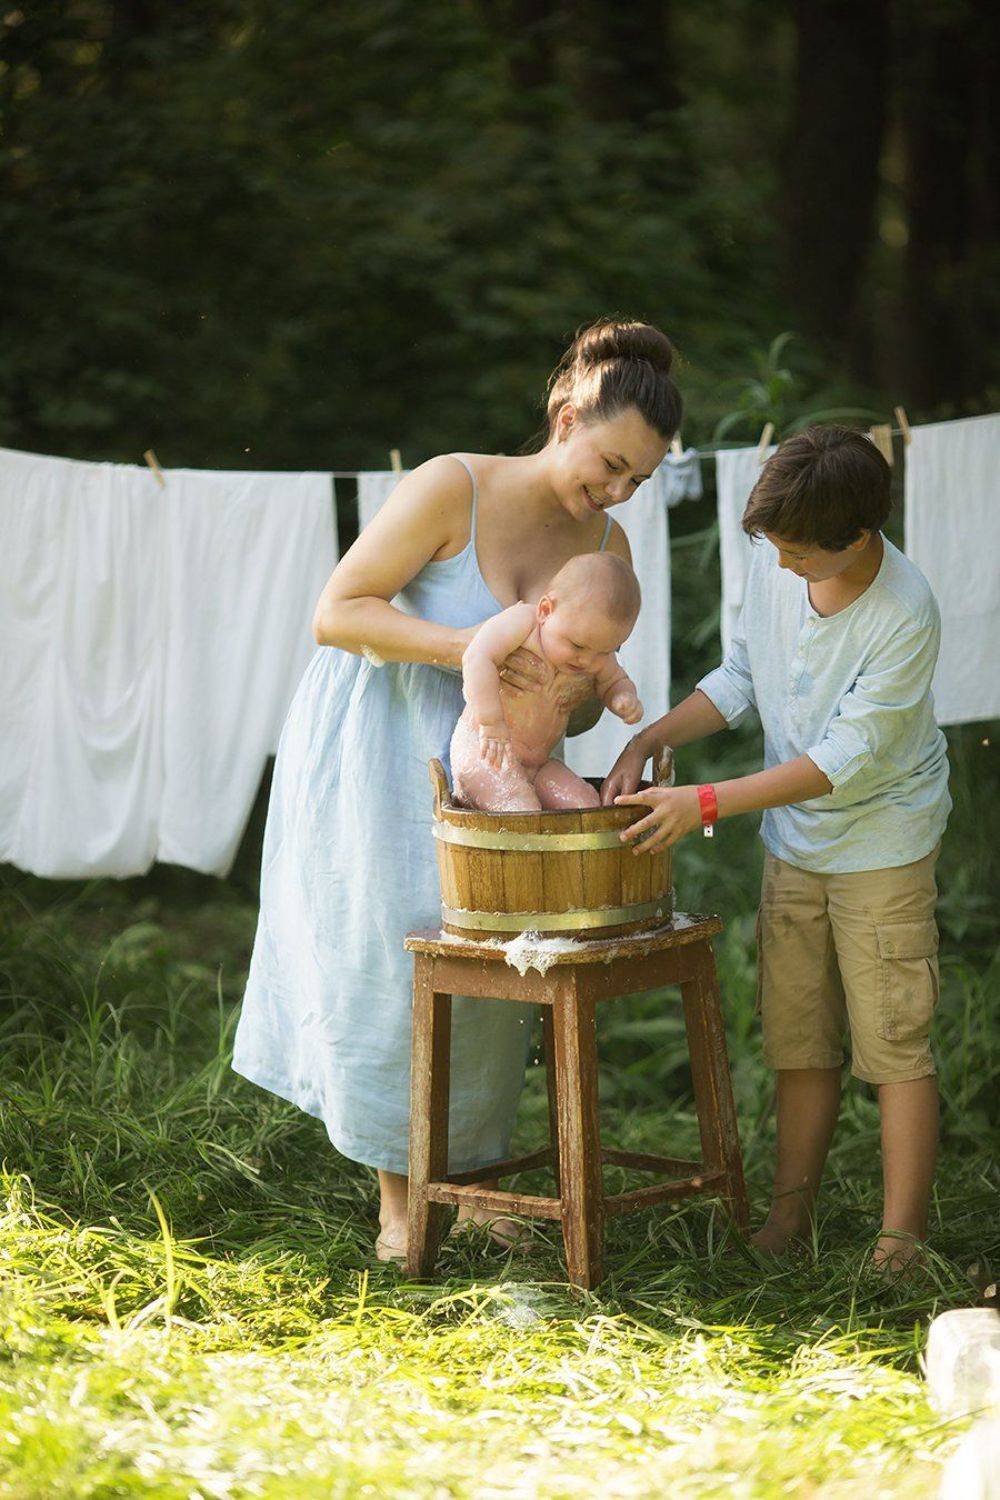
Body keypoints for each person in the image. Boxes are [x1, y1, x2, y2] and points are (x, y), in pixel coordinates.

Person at [232, 318, 679, 1261]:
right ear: (564, 417)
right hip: (384, 748)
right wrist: (475, 652)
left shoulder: (608, 548)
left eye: (638, 478)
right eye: (609, 464)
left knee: (494, 968)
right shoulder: (452, 486)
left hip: (503, 783)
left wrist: (573, 694)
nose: (618, 490)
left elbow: (584, 707)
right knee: (395, 965)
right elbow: (336, 611)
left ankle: (469, 1181)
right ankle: (402, 1202)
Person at [602, 425, 951, 1273]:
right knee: (799, 1036)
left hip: (884, 843)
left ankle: (900, 1242)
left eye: (799, 554)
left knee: (894, 1042)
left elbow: (838, 763)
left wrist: (707, 802)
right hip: (794, 842)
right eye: (777, 549)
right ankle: (788, 1221)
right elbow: (742, 676)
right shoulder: (777, 555)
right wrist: (651, 737)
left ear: (858, 537)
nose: (784, 566)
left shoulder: (904, 614)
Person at [452, 552, 642, 813]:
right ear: (545, 610)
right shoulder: (523, 624)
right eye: (576, 645)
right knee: (520, 810)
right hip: (486, 751)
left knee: (585, 806)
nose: (587, 660)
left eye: (604, 651)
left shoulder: (593, 650)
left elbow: (615, 680)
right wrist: (490, 722)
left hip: (539, 763)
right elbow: (477, 657)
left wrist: (623, 697)